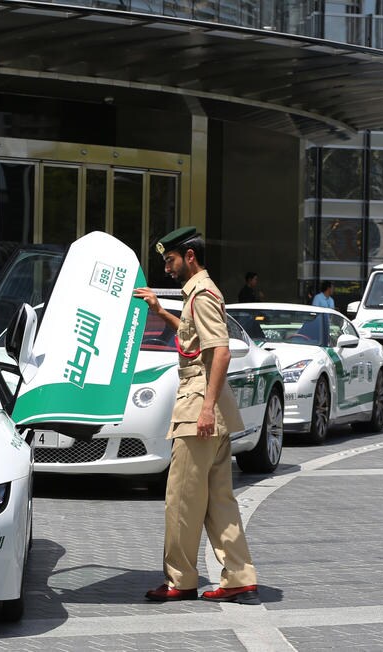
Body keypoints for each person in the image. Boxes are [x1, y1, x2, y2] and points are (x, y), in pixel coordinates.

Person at [134, 227, 260, 605]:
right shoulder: (200, 294)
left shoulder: (202, 294)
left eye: (170, 260)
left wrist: (204, 409)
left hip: (198, 409)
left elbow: (219, 352)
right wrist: (161, 312)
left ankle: (180, 580)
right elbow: (195, 342)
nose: (168, 269)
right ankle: (238, 577)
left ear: (189, 256)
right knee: (219, 500)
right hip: (213, 410)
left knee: (182, 500)